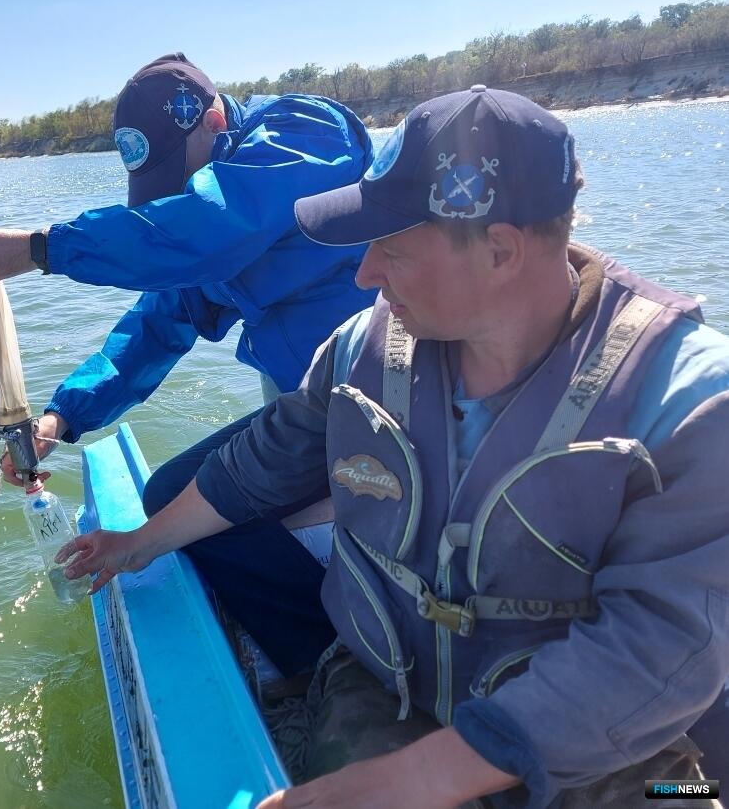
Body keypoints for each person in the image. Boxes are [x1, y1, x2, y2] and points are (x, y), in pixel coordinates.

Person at [57, 85, 729, 808]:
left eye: (392, 249)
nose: (364, 273)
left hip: (604, 751)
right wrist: (138, 543)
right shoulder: (363, 349)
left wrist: (417, 779)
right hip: (392, 685)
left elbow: (654, 650)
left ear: (500, 251)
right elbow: (259, 465)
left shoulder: (687, 403)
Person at [0, 53, 376, 674]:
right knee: (172, 495)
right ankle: (319, 648)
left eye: (181, 179)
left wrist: (42, 248)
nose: (178, 196)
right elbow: (158, 325)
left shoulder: (306, 133)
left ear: (213, 120)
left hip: (383, 398)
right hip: (312, 409)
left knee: (186, 504)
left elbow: (208, 226)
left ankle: (337, 662)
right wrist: (60, 419)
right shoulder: (208, 221)